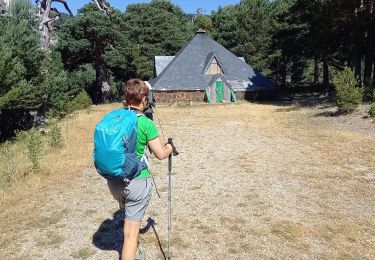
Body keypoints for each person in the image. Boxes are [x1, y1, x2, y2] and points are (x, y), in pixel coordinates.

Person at [107, 78, 173, 260]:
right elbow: (160, 154)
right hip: (136, 182)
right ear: (144, 100)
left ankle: (134, 251)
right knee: (130, 234)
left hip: (114, 181)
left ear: (126, 99)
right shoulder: (145, 123)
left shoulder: (117, 118)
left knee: (128, 217)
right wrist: (169, 147)